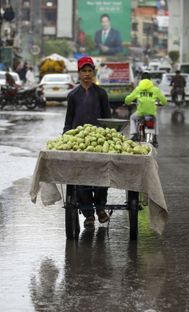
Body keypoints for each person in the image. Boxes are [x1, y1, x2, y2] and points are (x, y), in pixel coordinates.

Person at [63, 56, 111, 227]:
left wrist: (109, 137)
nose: (87, 74)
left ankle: (100, 209)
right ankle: (88, 213)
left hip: (99, 142)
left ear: (93, 72)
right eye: (84, 71)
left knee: (101, 177)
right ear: (79, 73)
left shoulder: (101, 94)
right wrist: (66, 136)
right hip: (79, 142)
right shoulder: (73, 95)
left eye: (90, 71)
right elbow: (68, 122)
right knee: (81, 178)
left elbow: (108, 120)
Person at [124, 73, 167, 147]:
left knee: (132, 117)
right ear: (150, 80)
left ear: (141, 79)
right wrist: (161, 103)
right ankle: (155, 138)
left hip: (140, 113)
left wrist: (128, 102)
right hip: (151, 113)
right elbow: (164, 101)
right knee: (155, 120)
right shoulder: (155, 89)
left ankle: (134, 134)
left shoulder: (138, 89)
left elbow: (128, 99)